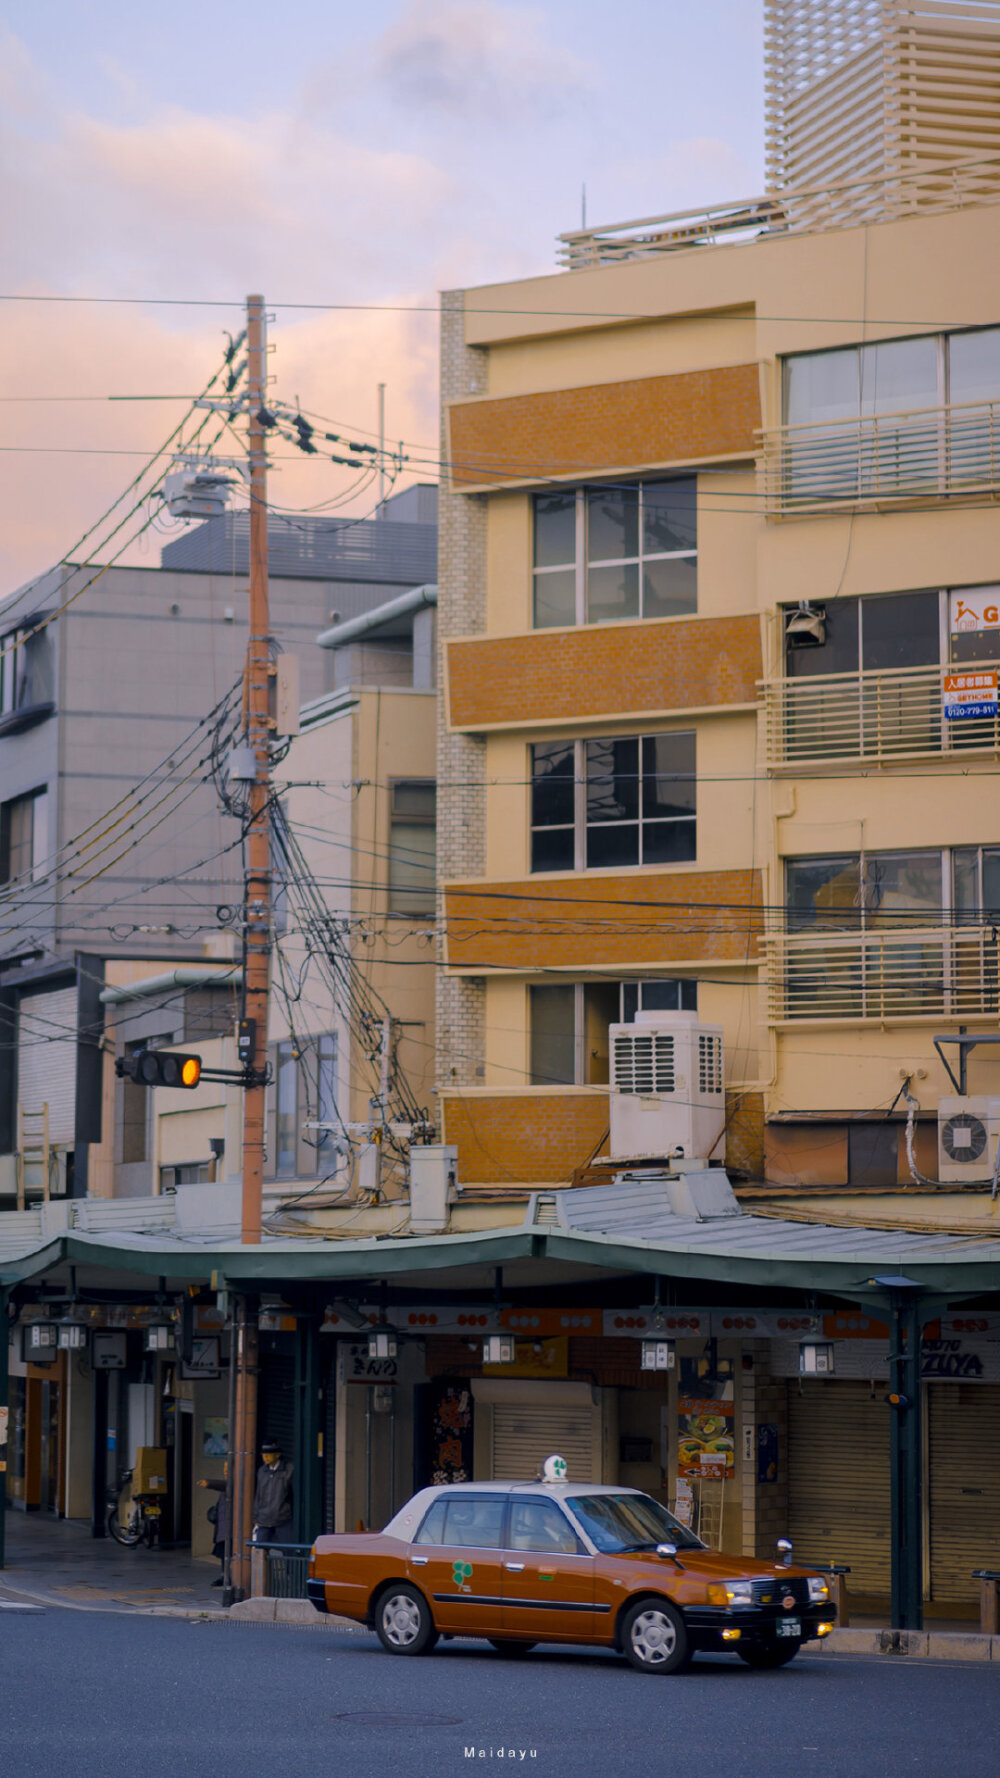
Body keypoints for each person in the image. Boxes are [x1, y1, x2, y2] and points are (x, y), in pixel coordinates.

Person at [252, 1439, 294, 1544]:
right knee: (260, 1550)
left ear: (277, 1455)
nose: (265, 1457)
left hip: (283, 1519)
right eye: (263, 1454)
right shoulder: (262, 1471)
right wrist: (256, 1517)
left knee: (288, 1550)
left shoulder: (289, 1470)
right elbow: (258, 1495)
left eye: (269, 1454)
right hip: (263, 1519)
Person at [197, 1461, 229, 1586]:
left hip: (232, 1527)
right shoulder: (225, 1486)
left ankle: (229, 1577)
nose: (226, 1471)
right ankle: (224, 1576)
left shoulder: (236, 1482)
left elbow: (225, 1485)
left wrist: (209, 1483)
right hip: (223, 1526)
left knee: (230, 1554)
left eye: (228, 1469)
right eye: (224, 1469)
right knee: (223, 1554)